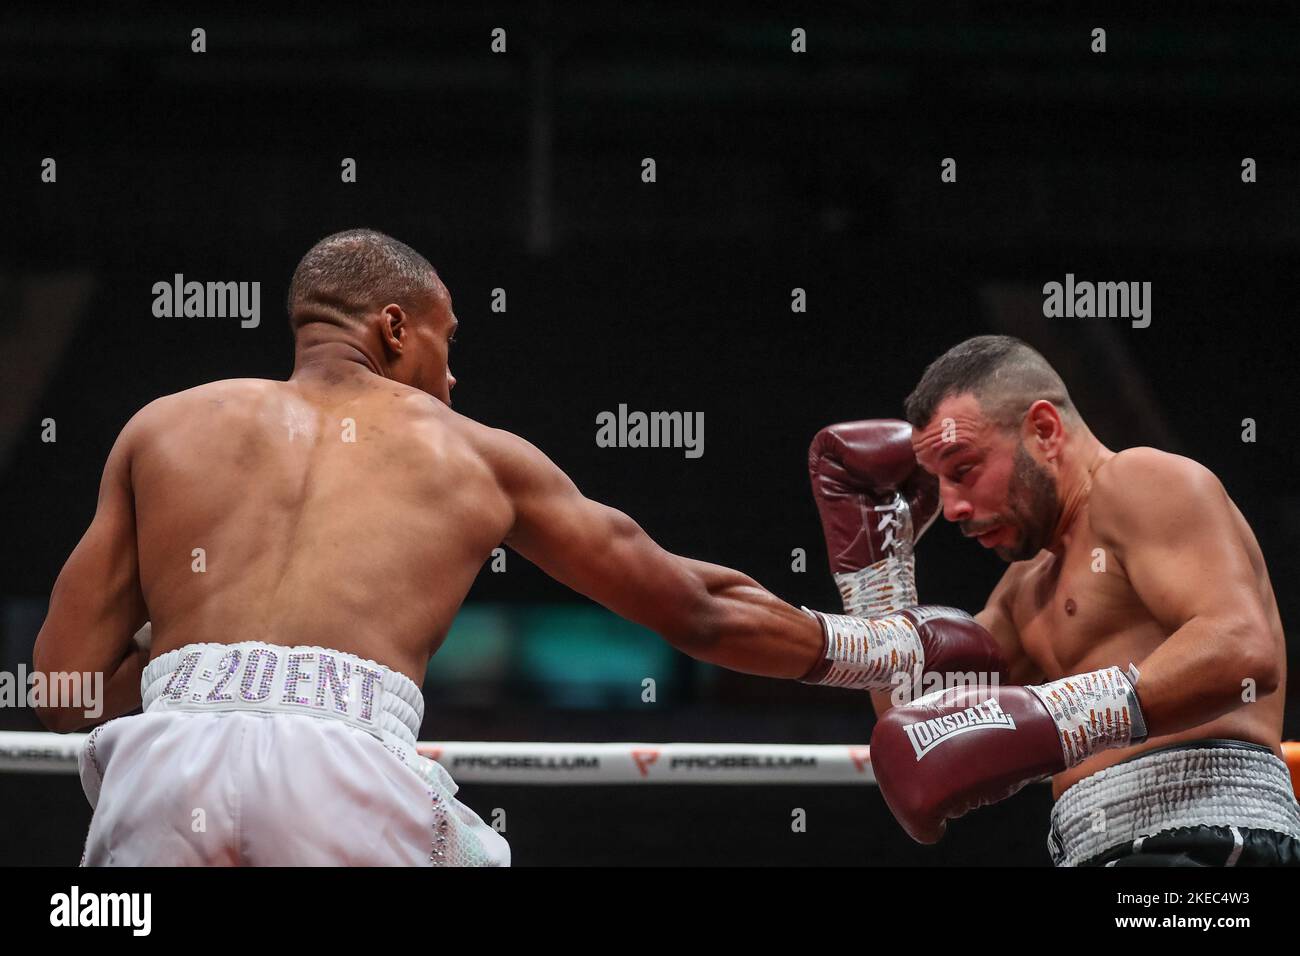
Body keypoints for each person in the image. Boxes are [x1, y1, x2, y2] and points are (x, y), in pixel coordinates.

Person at [33, 228, 997, 866]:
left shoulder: (161, 428)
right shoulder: (473, 454)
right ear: (394, 327)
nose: (453, 380)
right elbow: (692, 607)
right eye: (449, 346)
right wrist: (890, 647)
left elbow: (61, 694)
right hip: (340, 781)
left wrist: (194, 657)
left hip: (159, 775)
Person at [813, 335, 1299, 866]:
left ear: (1043, 430)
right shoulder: (1025, 588)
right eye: (937, 484)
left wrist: (1062, 719)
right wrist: (878, 574)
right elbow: (918, 728)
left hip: (1205, 837)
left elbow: (1242, 650)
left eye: (963, 469)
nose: (950, 508)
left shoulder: (1140, 481)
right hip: (1096, 850)